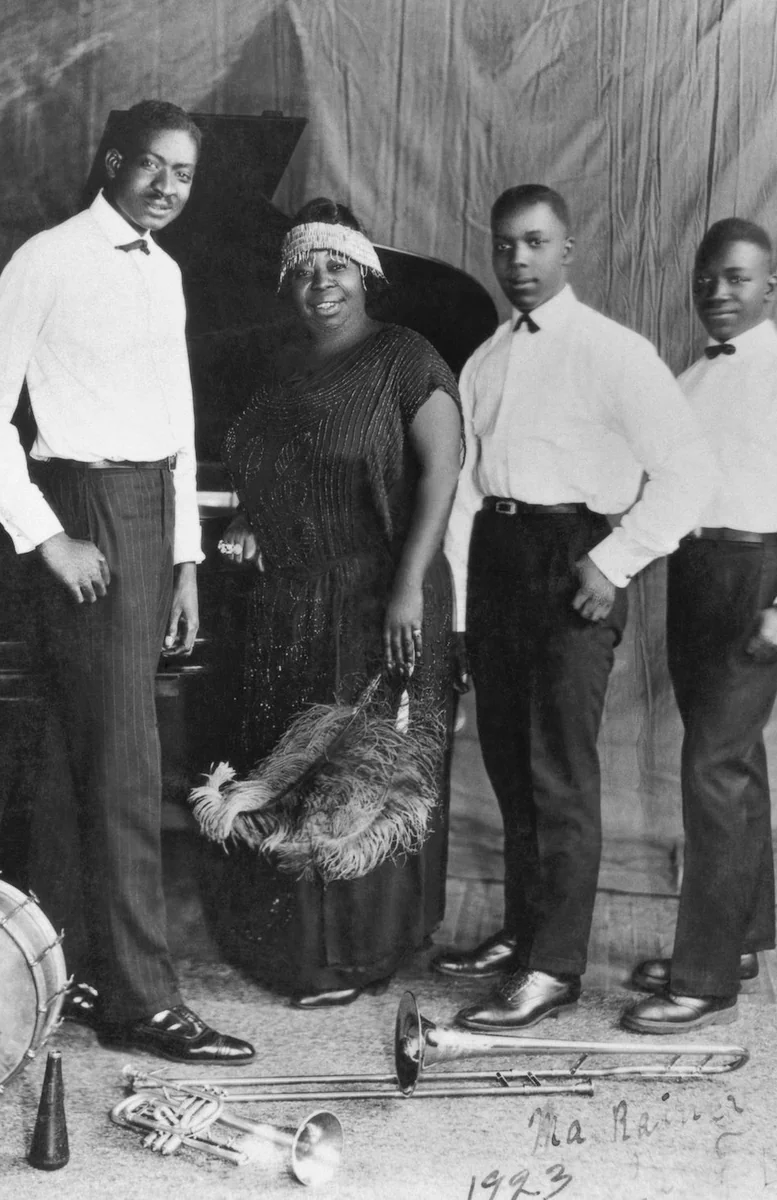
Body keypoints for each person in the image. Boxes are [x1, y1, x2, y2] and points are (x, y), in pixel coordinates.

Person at [0, 100, 253, 1064]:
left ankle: (69, 971)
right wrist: (47, 536)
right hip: (81, 512)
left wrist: (187, 562)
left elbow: (178, 429)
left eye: (184, 175)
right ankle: (141, 1000)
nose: (167, 187)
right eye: (152, 167)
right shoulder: (48, 257)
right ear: (111, 160)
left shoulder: (164, 272)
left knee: (77, 752)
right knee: (125, 764)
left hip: (148, 518)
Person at [436, 184, 715, 1031]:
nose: (518, 261)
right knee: (512, 766)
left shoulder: (615, 352)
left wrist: (615, 561)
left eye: (535, 244)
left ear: (568, 251)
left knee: (560, 772)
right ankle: (524, 931)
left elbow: (689, 474)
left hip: (574, 562)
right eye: (505, 246)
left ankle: (554, 968)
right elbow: (464, 493)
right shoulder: (484, 359)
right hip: (497, 559)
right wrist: (456, 616)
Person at [621, 219, 777, 1033]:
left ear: (770, 287)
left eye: (736, 279)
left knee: (712, 772)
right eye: (707, 279)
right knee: (733, 764)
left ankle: (702, 980)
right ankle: (736, 939)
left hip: (759, 579)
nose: (718, 294)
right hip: (694, 577)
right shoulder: (687, 382)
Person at [218, 199, 463, 1007]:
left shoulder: (407, 357)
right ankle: (291, 949)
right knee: (290, 760)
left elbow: (440, 474)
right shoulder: (281, 369)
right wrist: (255, 517)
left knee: (360, 767)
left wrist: (405, 593)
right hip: (292, 596)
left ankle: (355, 954)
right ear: (291, 278)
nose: (323, 282)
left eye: (339, 265)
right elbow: (268, 468)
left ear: (368, 273)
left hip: (379, 594)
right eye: (307, 267)